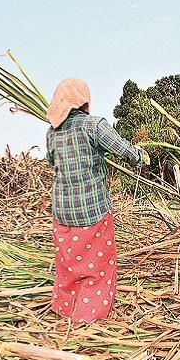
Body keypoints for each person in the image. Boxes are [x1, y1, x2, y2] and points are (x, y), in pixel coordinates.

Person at [46, 78, 150, 323]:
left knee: (69, 264)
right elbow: (122, 149)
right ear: (84, 100)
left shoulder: (51, 132)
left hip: (62, 210)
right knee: (96, 266)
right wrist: (140, 155)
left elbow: (52, 160)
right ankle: (87, 315)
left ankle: (65, 309)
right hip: (91, 210)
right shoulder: (94, 126)